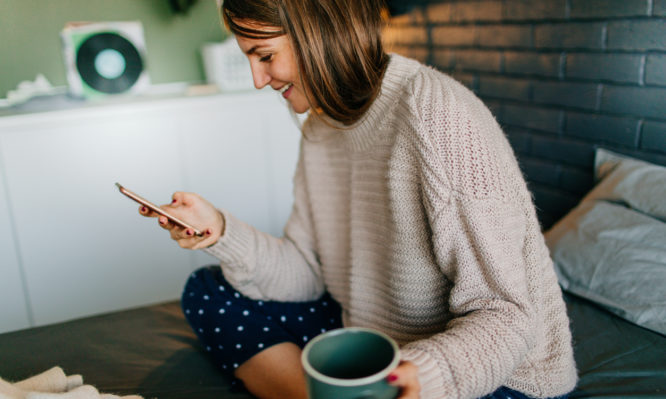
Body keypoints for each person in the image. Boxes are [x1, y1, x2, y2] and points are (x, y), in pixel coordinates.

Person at [140, 0, 578, 398]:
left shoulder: (436, 114)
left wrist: (419, 377)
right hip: (377, 336)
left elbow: (507, 316)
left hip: (492, 370)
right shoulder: (320, 128)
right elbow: (309, 273)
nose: (258, 80)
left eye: (265, 55)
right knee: (207, 289)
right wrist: (220, 230)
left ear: (320, 32)